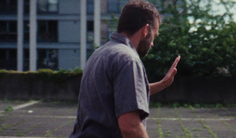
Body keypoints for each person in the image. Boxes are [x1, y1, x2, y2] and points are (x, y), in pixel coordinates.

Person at [70, 1, 181, 137]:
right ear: (146, 30)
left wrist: (162, 84)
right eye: (154, 36)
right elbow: (130, 127)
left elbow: (120, 94)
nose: (152, 43)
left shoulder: (100, 53)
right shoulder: (128, 59)